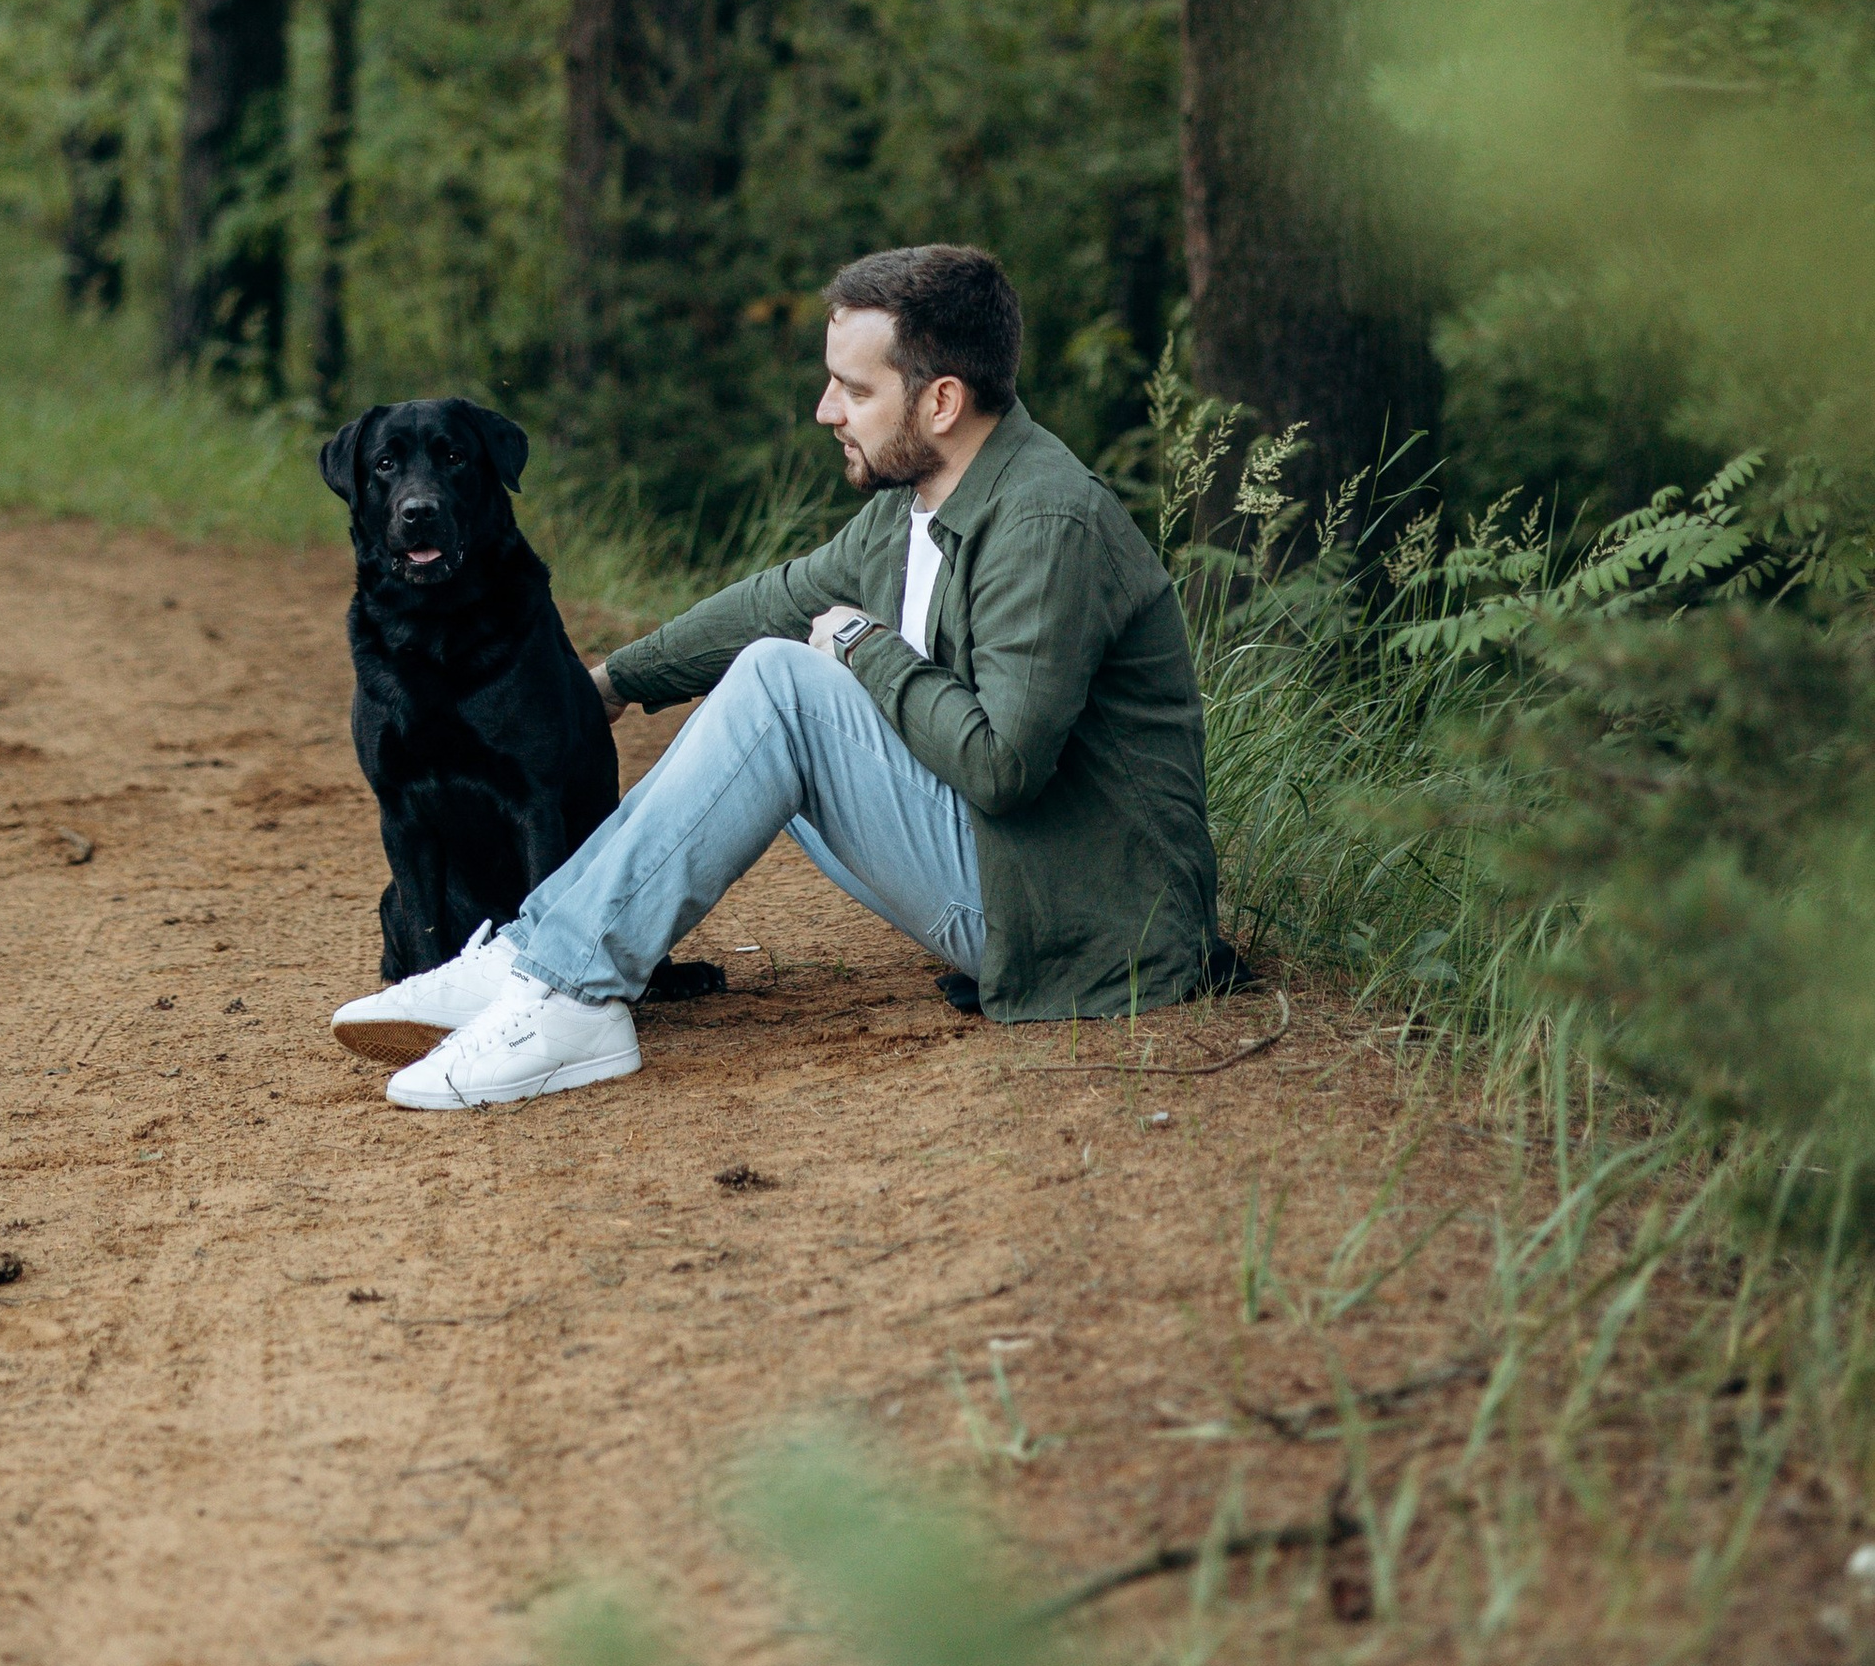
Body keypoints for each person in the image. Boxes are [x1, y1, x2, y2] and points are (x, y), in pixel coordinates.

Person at [327, 241, 1220, 1112]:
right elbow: (777, 599)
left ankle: (561, 985)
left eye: (855, 388)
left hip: (1083, 924)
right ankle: (539, 953)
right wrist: (602, 684)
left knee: (782, 684)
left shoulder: (1043, 521)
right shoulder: (921, 504)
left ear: (942, 400)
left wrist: (868, 647)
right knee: (772, 660)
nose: (828, 409)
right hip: (1014, 877)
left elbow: (1003, 768)